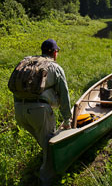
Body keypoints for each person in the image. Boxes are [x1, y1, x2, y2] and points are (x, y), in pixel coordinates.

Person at [12, 39, 72, 186]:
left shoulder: (27, 61)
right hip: (39, 112)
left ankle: (43, 160)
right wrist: (67, 120)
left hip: (19, 110)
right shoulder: (55, 67)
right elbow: (64, 95)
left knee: (43, 141)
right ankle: (47, 180)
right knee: (50, 146)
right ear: (54, 52)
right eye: (57, 51)